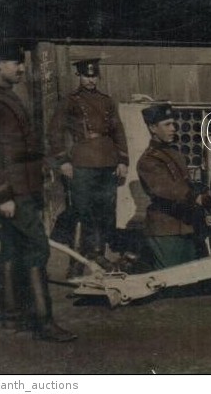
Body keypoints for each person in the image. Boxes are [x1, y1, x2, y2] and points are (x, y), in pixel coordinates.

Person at [0, 43, 76, 342]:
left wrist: (42, 165)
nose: (22, 68)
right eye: (16, 63)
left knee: (13, 247)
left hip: (23, 186)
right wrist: (3, 196)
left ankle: (11, 316)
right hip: (12, 191)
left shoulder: (6, 96)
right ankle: (43, 322)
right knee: (38, 246)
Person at [48, 58, 129, 270]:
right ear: (79, 76)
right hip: (82, 161)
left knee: (105, 211)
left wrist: (123, 160)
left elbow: (118, 130)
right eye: (86, 76)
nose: (90, 80)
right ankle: (77, 261)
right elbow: (54, 131)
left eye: (93, 76)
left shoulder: (107, 101)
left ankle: (98, 256)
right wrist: (63, 160)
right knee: (83, 211)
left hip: (107, 161)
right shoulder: (70, 100)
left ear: (98, 76)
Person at [137, 103, 210, 269]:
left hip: (186, 225)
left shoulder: (175, 153)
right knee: (171, 282)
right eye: (167, 125)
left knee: (200, 276)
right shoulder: (148, 160)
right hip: (166, 228)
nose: (173, 129)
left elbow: (185, 183)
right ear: (153, 128)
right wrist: (195, 197)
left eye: (173, 124)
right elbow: (167, 189)